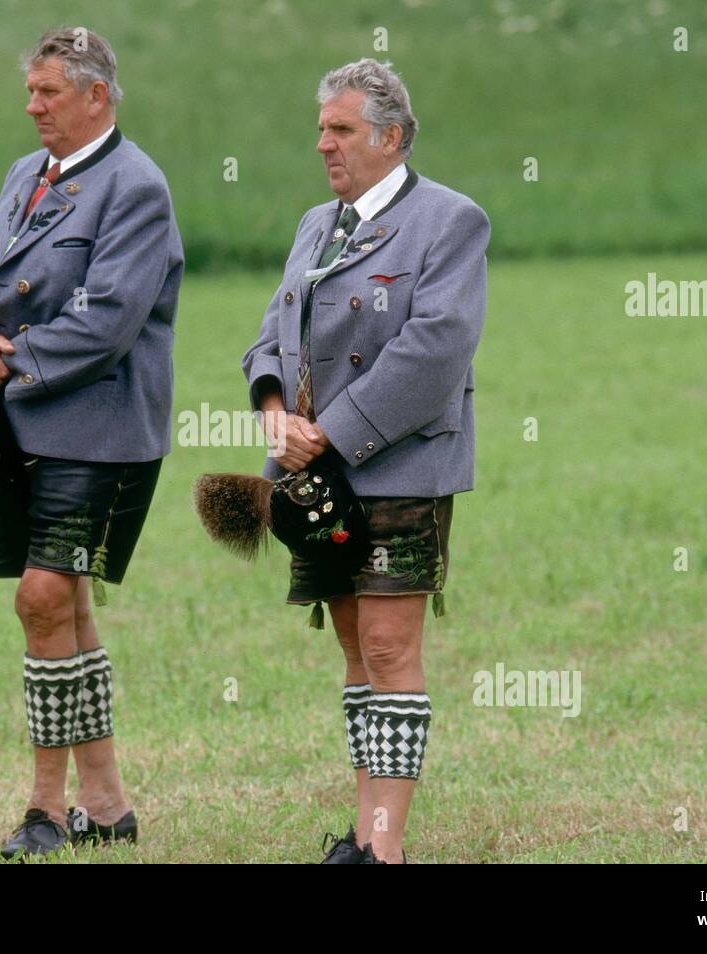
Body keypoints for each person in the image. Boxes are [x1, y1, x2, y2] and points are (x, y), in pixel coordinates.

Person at [241, 58, 489, 864]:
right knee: (353, 643)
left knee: (387, 646)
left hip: (399, 464)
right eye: (322, 129)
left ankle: (386, 847)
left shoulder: (450, 221)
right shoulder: (317, 224)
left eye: (341, 130)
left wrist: (331, 432)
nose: (324, 144)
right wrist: (274, 410)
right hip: (316, 477)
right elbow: (271, 334)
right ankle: (360, 832)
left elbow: (435, 350)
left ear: (392, 137)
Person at [0, 26, 183, 860]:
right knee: (67, 605)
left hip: (101, 429)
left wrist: (1, 362)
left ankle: (45, 810)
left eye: (49, 92)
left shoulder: (137, 187)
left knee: (42, 598)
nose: (33, 106)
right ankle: (108, 805)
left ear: (97, 96)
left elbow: (108, 324)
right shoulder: (25, 174)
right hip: (22, 422)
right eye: (31, 90)